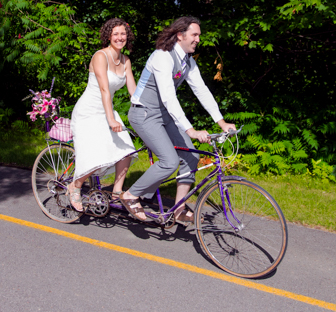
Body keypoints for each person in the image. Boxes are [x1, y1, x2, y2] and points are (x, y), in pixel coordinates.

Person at [121, 16, 235, 223]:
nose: (198, 39)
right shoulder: (162, 57)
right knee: (169, 161)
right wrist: (190, 131)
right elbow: (168, 97)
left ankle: (178, 209)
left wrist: (221, 122)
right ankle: (130, 195)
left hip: (164, 114)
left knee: (191, 158)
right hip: (144, 113)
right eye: (195, 35)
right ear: (180, 35)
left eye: (199, 35)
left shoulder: (187, 62)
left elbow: (202, 91)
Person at [67, 18, 138, 211]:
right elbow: (105, 90)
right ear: (108, 36)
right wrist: (111, 119)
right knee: (95, 154)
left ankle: (117, 192)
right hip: (89, 111)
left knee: (127, 150)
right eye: (115, 34)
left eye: (123, 34)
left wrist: (149, 109)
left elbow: (134, 92)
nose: (119, 37)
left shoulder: (125, 60)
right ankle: (75, 186)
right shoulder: (100, 56)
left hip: (107, 111)